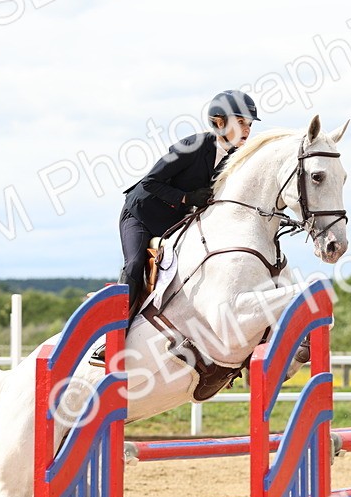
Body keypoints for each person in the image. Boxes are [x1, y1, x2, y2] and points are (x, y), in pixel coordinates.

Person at [91, 89, 259, 365]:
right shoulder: (192, 146)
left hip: (174, 222)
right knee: (134, 264)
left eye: (249, 124)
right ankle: (109, 339)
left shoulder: (235, 159)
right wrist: (185, 198)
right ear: (219, 122)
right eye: (240, 122)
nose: (247, 130)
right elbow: (150, 182)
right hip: (141, 214)